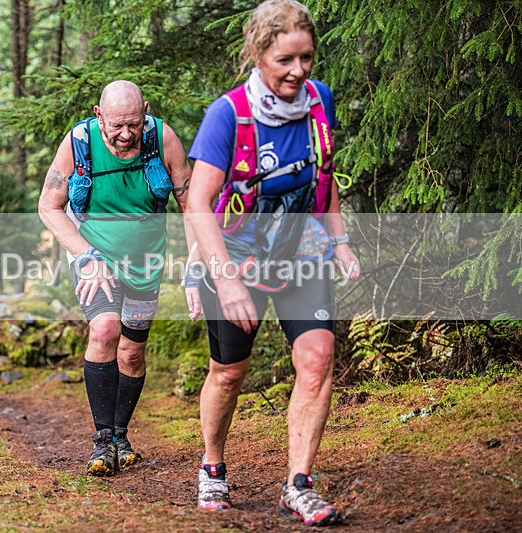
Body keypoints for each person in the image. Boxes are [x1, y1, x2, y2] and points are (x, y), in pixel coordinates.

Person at [186, 0, 360, 526]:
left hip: (301, 251)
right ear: (259, 54)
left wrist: (341, 240)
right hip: (233, 257)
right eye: (286, 59)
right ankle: (213, 465)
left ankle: (298, 484)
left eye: (306, 58)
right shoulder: (229, 114)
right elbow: (198, 204)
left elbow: (323, 178)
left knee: (317, 358)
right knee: (228, 372)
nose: (299, 71)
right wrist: (226, 279)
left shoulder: (320, 101)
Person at [39, 80, 200, 476]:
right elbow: (48, 205)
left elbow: (191, 201)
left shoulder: (161, 138)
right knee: (105, 330)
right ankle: (101, 442)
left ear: (145, 111)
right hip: (95, 256)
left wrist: (198, 260)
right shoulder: (78, 141)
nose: (126, 134)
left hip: (146, 260)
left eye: (134, 123)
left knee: (131, 351)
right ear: (99, 115)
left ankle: (120, 434)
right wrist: (86, 255)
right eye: (116, 125)